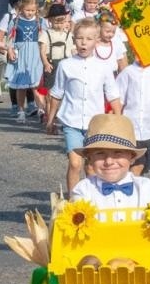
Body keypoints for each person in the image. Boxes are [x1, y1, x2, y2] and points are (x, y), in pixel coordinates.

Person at [46, 19, 122, 192]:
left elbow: (112, 94)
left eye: (88, 39)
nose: (84, 42)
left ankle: (91, 199)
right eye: (80, 38)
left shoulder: (103, 67)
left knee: (91, 166)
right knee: (75, 163)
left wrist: (118, 119)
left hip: (94, 124)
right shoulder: (66, 65)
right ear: (74, 40)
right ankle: (73, 200)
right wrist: (50, 119)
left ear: (96, 41)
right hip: (71, 121)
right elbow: (57, 94)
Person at [0, 0, 44, 121]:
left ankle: (41, 109)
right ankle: (20, 110)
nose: (30, 13)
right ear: (21, 8)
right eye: (27, 10)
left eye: (33, 10)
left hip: (35, 55)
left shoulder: (41, 21)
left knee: (36, 85)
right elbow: (10, 40)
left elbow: (45, 39)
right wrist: (10, 50)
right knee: (20, 85)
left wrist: (45, 55)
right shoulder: (15, 21)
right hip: (21, 55)